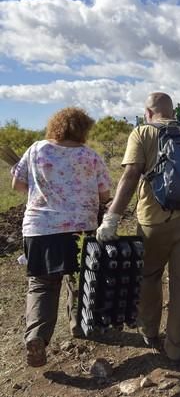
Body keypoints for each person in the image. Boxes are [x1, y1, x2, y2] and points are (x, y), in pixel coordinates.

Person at [96, 92, 180, 362]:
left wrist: (112, 217)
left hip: (154, 222)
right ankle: (176, 347)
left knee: (149, 277)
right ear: (172, 110)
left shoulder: (142, 133)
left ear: (148, 112)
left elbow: (130, 175)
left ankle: (150, 332)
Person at [11, 107, 111, 367]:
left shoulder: (36, 150)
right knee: (78, 280)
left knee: (42, 284)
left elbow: (18, 184)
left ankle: (37, 336)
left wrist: (41, 192)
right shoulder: (90, 156)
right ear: (83, 130)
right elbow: (104, 195)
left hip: (40, 228)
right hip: (80, 228)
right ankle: (79, 325)